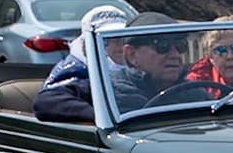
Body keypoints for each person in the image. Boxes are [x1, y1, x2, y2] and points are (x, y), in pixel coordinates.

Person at [34, 12, 187, 121]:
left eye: (181, 46)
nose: (175, 54)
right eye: (162, 46)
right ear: (132, 54)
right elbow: (47, 101)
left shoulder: (192, 87)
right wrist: (105, 117)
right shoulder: (105, 83)